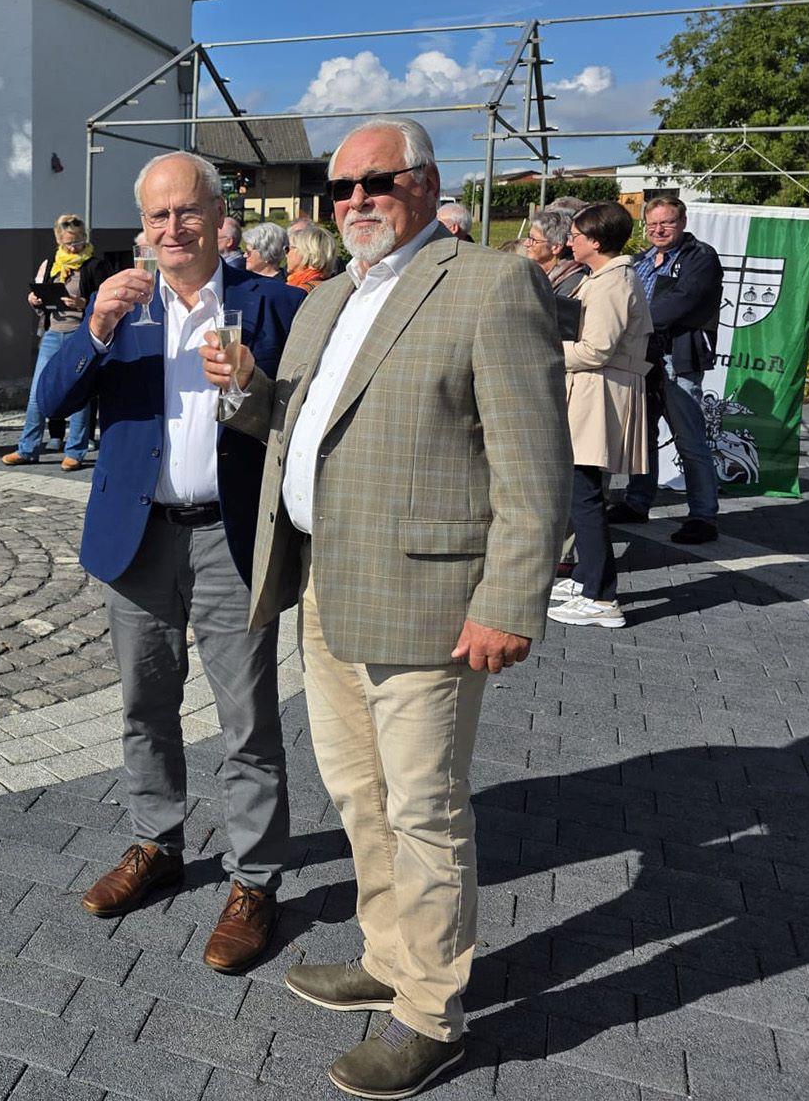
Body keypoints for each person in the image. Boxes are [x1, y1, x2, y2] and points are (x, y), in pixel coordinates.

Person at [205, 117, 567, 1098]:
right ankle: (385, 953)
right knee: (361, 796)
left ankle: (430, 1014)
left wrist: (509, 600)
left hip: (432, 600)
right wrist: (245, 393)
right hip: (328, 585)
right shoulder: (327, 299)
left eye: (378, 180)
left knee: (425, 810)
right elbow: (296, 428)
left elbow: (538, 467)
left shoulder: (490, 285)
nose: (357, 199)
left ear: (424, 181)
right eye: (342, 187)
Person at [35, 153, 303, 974]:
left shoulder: (272, 304)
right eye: (157, 217)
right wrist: (93, 332)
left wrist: (260, 388)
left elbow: (304, 418)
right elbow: (49, 410)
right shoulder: (123, 304)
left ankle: (254, 879)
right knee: (144, 706)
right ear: (141, 227)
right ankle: (156, 845)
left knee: (248, 717)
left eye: (187, 213)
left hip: (227, 536)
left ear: (220, 218)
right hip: (139, 535)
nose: (172, 230)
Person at [550, 202, 652, 629]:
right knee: (583, 492)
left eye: (575, 234)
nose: (569, 240)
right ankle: (589, 579)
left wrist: (546, 349)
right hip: (593, 393)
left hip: (599, 395)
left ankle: (601, 596)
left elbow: (596, 349)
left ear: (596, 240)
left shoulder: (613, 282)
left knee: (586, 496)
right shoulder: (606, 277)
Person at [611, 196, 722, 544]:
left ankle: (703, 516)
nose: (658, 229)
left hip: (678, 360)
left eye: (667, 222)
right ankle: (637, 501)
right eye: (652, 223)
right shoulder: (640, 259)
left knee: (690, 441)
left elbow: (681, 301)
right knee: (642, 438)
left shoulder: (700, 258)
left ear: (683, 222)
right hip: (642, 358)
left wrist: (629, 324)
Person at [4, 214, 108, 471]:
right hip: (53, 333)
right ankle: (27, 448)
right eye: (68, 244)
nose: (74, 248)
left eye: (78, 242)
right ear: (59, 241)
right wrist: (35, 300)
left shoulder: (96, 266)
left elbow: (106, 303)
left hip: (80, 334)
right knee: (37, 392)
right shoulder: (51, 264)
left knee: (79, 393)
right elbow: (40, 293)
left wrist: (84, 305)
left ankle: (76, 451)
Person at [523, 206, 587, 298]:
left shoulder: (571, 285)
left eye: (533, 239)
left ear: (556, 247)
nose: (526, 243)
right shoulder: (533, 274)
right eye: (528, 236)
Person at [284, 224, 337, 292]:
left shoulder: (300, 291)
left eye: (288, 249)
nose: (286, 254)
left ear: (305, 252)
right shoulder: (334, 286)